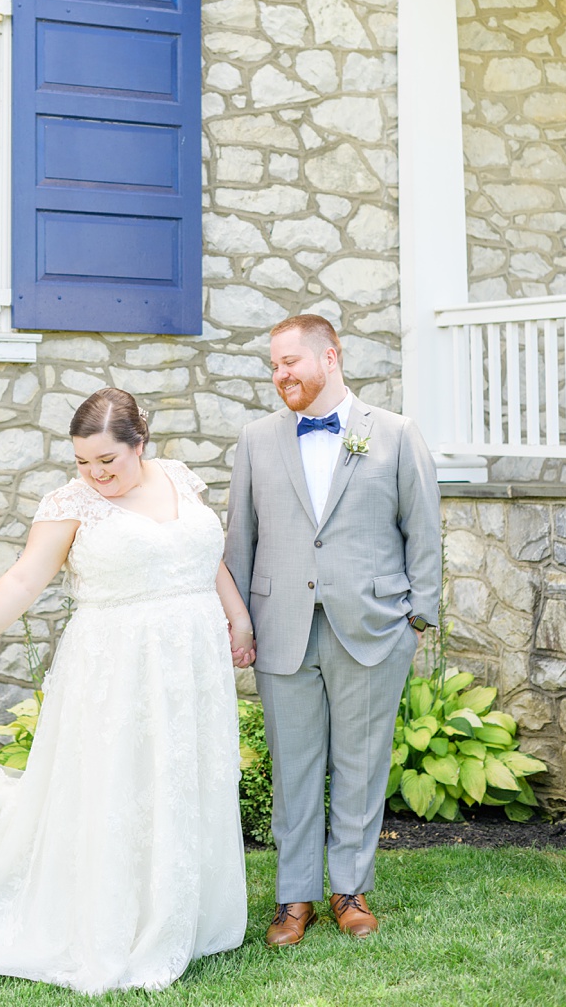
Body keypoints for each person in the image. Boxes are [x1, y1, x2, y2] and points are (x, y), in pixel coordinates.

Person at [0, 388, 253, 995]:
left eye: (108, 460)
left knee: (182, 777)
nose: (96, 474)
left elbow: (204, 557)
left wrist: (236, 617)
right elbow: (25, 576)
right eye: (84, 462)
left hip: (192, 659)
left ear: (142, 443)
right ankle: (113, 921)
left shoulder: (180, 481)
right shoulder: (71, 503)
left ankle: (181, 912)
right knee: (119, 786)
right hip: (116, 665)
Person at [223, 313, 441, 947]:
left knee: (362, 763)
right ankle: (295, 899)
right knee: (294, 768)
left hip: (373, 625)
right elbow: (241, 536)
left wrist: (417, 618)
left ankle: (350, 888)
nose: (280, 374)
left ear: (330, 357)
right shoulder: (256, 439)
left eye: (290, 362)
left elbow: (422, 529)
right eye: (274, 365)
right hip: (280, 626)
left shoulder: (397, 434)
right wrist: (238, 620)